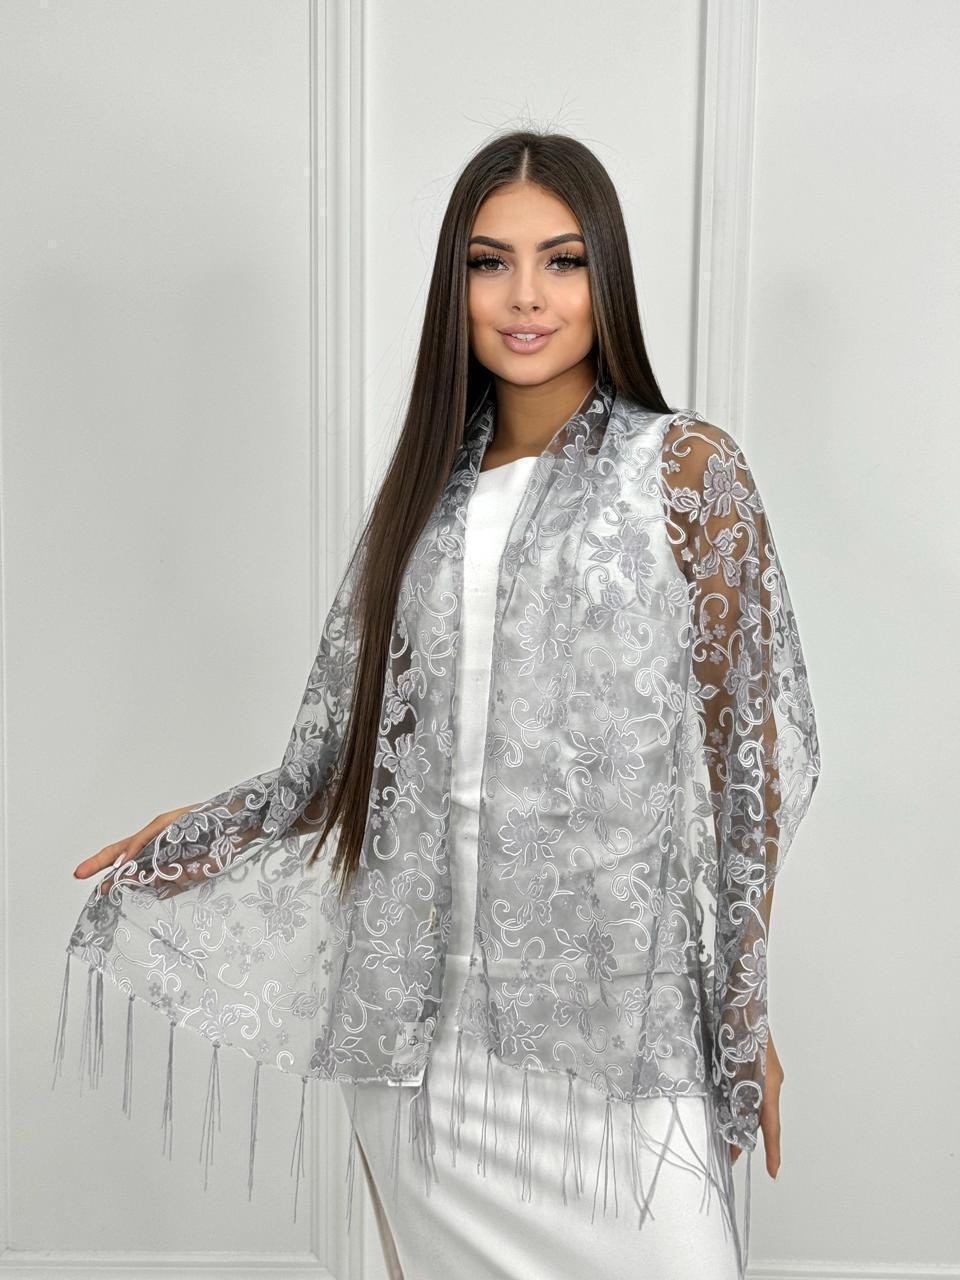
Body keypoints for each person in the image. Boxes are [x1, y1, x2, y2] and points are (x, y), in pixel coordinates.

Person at [62, 130, 820, 1280]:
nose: (526, 297)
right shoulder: (425, 500)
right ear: (454, 286)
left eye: (562, 261)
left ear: (607, 275)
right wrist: (216, 827)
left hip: (617, 1024)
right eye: (490, 262)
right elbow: (351, 753)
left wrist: (742, 1009)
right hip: (422, 1039)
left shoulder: (686, 470)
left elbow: (747, 761)